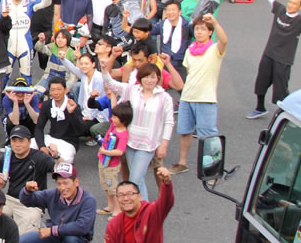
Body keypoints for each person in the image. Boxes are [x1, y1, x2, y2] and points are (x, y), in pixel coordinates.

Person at [247, 0, 301, 119]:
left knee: (281, 89)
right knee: (261, 82)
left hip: (284, 59)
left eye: (294, 4)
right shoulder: (280, 10)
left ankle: (285, 113)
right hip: (269, 54)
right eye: (290, 2)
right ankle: (260, 108)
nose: (290, 5)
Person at [18, 162, 97, 243]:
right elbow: (27, 201)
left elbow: (82, 226)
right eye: (59, 183)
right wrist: (27, 190)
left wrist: (51, 230)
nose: (62, 187)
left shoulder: (88, 200)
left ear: (76, 182)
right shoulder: (53, 194)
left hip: (78, 240)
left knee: (71, 240)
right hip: (55, 237)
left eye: (66, 183)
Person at [100, 63, 174, 200]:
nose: (149, 80)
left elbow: (169, 122)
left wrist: (164, 144)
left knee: (134, 180)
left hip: (148, 145)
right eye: (146, 77)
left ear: (158, 78)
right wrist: (104, 69)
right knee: (138, 179)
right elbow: (111, 84)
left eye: (153, 77)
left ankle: (143, 209)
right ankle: (144, 209)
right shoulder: (132, 90)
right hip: (130, 142)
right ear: (140, 78)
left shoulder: (165, 98)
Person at [170, 14, 227, 174]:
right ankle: (182, 163)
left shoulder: (214, 49)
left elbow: (224, 41)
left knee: (208, 135)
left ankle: (213, 169)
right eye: (197, 29)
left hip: (206, 98)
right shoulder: (190, 50)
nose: (199, 32)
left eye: (203, 29)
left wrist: (215, 22)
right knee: (184, 131)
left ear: (210, 32)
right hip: (187, 97)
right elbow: (189, 72)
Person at [0, 126, 56, 237]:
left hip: (32, 203)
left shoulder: (40, 157)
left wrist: (57, 156)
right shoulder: (6, 158)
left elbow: (59, 170)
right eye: (14, 141)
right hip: (10, 199)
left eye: (21, 141)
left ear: (29, 141)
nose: (17, 145)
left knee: (24, 236)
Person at [34, 76, 83, 164]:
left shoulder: (73, 105)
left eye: (59, 89)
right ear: (49, 91)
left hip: (68, 143)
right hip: (51, 138)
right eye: (52, 90)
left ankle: (52, 159)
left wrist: (71, 113)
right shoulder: (47, 105)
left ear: (65, 90)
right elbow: (39, 128)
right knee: (27, 146)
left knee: (66, 161)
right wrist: (42, 146)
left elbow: (80, 130)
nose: (56, 93)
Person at [96, 102, 131, 217]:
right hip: (103, 160)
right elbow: (113, 105)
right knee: (105, 185)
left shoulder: (123, 134)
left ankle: (118, 210)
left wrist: (105, 152)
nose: (113, 119)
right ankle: (110, 206)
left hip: (111, 165)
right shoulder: (114, 125)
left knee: (112, 187)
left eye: (116, 117)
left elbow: (120, 151)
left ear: (124, 119)